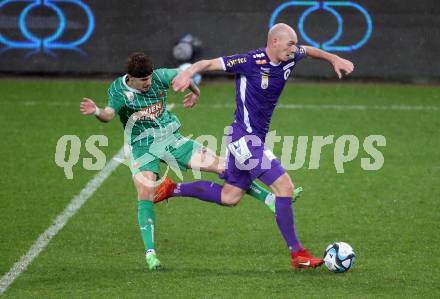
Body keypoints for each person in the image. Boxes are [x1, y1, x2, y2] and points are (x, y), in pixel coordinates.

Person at [154, 23, 354, 269]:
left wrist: (333, 58)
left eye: (294, 45)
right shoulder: (250, 61)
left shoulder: (290, 57)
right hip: (244, 139)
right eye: (290, 44)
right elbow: (207, 63)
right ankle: (298, 254)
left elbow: (309, 50)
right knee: (285, 186)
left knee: (230, 197)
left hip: (253, 139)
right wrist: (187, 73)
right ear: (274, 43)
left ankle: (171, 189)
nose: (294, 49)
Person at [79, 52, 299, 270]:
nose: (147, 83)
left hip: (172, 139)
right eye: (142, 80)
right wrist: (96, 110)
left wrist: (195, 92)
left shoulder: (160, 76)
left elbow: (187, 74)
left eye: (149, 79)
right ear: (131, 77)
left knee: (223, 165)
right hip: (142, 147)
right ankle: (151, 254)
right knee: (145, 191)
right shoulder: (119, 90)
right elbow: (108, 114)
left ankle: (269, 199)